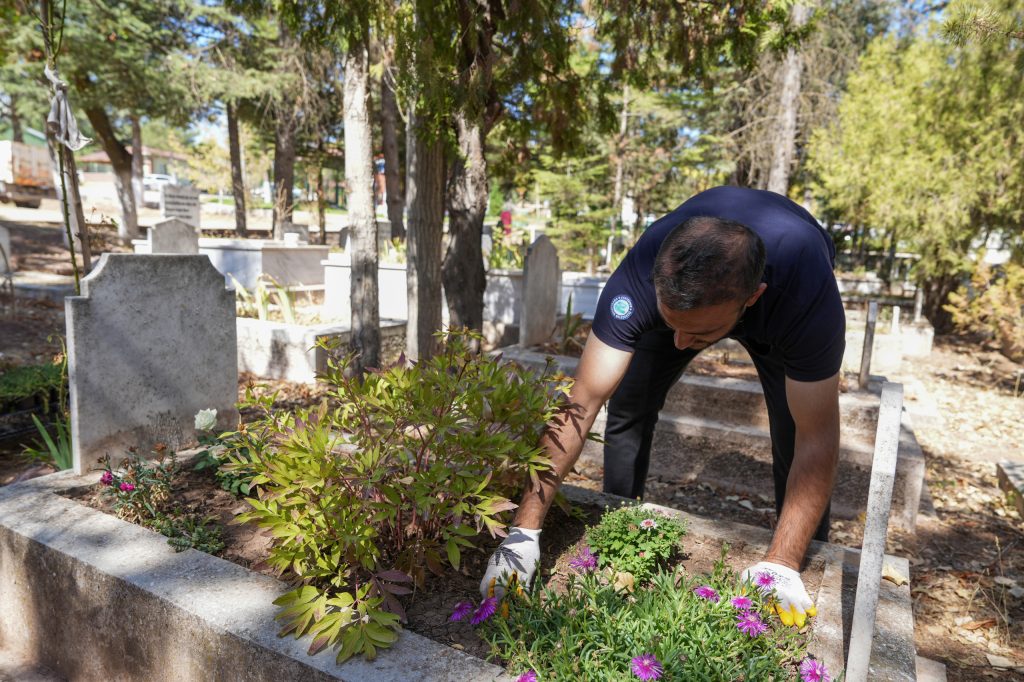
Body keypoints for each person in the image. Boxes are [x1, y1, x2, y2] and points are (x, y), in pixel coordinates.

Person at [480, 186, 845, 629]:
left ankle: (791, 566)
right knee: (629, 406)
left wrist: (782, 561)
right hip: (691, 289)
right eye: (672, 325)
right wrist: (523, 530)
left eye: (698, 334)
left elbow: (818, 437)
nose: (679, 344)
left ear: (753, 297)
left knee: (793, 435)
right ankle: (620, 516)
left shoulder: (804, 289)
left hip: (785, 297)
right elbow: (583, 401)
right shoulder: (643, 268)